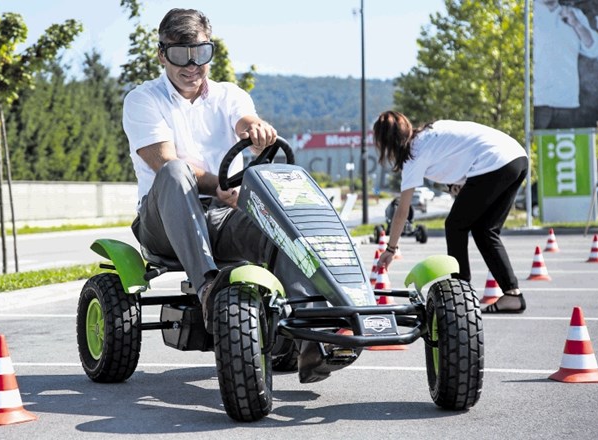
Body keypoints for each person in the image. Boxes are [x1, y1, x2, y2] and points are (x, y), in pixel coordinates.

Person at [122, 8, 326, 382]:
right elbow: (164, 161)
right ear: (161, 54)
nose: (192, 65)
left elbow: (244, 121)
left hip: (220, 213)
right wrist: (219, 185)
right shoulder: (142, 100)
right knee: (175, 170)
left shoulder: (229, 94)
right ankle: (208, 289)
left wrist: (257, 129)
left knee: (281, 227)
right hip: (162, 221)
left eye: (200, 53)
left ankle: (310, 333)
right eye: (181, 54)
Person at [373, 111, 528, 313]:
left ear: (386, 143)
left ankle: (460, 295)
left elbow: (402, 210)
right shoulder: (431, 132)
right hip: (516, 157)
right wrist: (457, 185)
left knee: (455, 225)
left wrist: (391, 249)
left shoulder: (414, 155)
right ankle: (512, 295)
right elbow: (463, 154)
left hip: (494, 162)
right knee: (484, 230)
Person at [533, 0, 598, 129]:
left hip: (567, 103)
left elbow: (595, 49)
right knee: (530, 148)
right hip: (537, 103)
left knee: (568, 147)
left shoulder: (575, 14)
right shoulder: (527, 14)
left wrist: (576, 24)